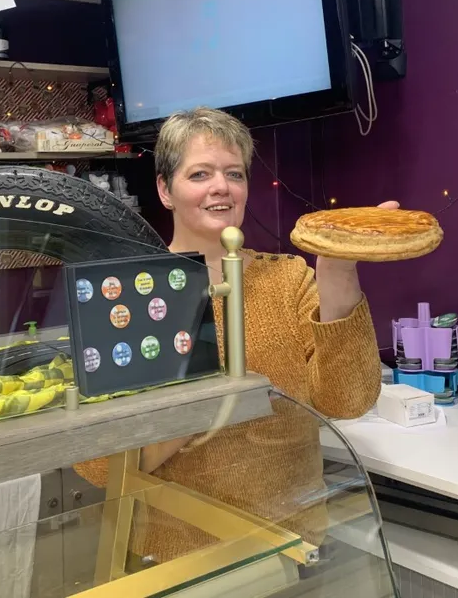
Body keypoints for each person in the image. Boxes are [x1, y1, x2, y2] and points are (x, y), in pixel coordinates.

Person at [76, 106, 391, 563]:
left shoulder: (288, 279)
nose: (221, 187)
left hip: (293, 547)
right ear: (165, 190)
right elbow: (98, 465)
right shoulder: (126, 294)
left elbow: (348, 399)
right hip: (179, 559)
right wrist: (201, 409)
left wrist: (337, 271)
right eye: (199, 173)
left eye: (234, 173)